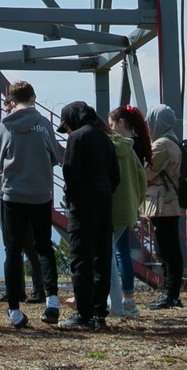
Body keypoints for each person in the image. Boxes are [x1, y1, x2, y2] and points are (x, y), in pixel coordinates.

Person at [0, 80, 62, 328]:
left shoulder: (6, 124)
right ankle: (52, 300)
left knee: (13, 252)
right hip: (40, 194)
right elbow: (55, 155)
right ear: (33, 98)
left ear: (11, 101)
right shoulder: (44, 123)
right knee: (44, 246)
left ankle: (14, 309)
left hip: (13, 195)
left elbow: (0, 161)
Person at [58, 101, 119, 330]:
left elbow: (70, 171)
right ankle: (99, 312)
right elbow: (115, 175)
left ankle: (83, 313)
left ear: (72, 120)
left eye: (66, 127)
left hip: (83, 205)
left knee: (81, 258)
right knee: (101, 257)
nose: (67, 132)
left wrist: (71, 196)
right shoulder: (105, 137)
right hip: (104, 204)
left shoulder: (77, 138)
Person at [107, 105, 150, 318]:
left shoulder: (119, 147)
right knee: (122, 251)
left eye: (112, 125)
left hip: (116, 203)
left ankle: (123, 299)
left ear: (121, 123)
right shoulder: (140, 144)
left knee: (117, 253)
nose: (111, 129)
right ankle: (129, 298)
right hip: (131, 202)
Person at [143, 104, 186, 310]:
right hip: (168, 203)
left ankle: (170, 293)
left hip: (162, 203)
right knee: (169, 248)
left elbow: (146, 173)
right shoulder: (173, 142)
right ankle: (171, 292)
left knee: (166, 249)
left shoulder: (161, 145)